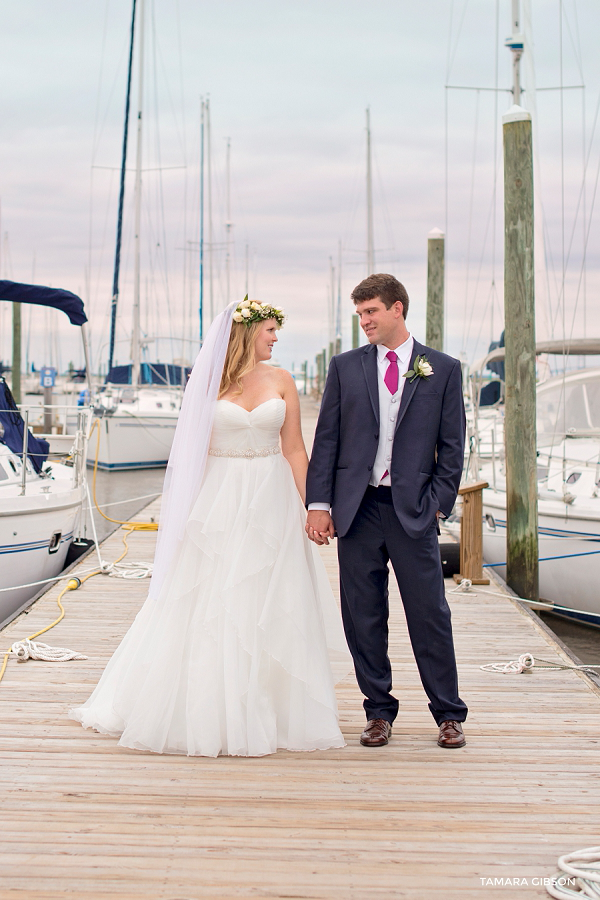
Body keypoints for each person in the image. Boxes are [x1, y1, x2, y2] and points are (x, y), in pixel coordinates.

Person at [70, 299, 351, 757]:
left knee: (271, 597)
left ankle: (268, 709)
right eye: (270, 331)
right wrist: (181, 517)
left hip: (270, 496)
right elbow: (189, 456)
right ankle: (204, 710)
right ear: (247, 332)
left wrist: (316, 507)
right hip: (217, 500)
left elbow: (296, 449)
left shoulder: (282, 380)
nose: (276, 339)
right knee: (209, 597)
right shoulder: (207, 382)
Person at [305, 274, 468, 749]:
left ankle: (448, 714)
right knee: (363, 615)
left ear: (397, 309)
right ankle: (378, 712)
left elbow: (453, 448)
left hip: (412, 510)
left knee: (429, 613)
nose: (364, 322)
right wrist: (319, 504)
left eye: (371, 312)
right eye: (359, 314)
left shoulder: (443, 368)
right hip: (357, 509)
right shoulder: (345, 367)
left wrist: (437, 503)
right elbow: (328, 439)